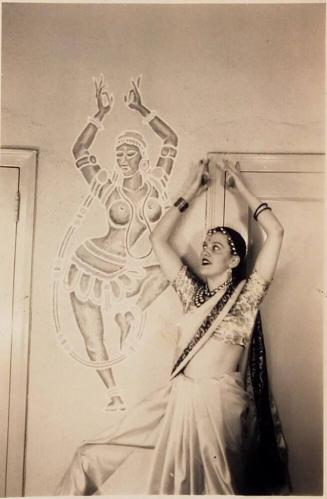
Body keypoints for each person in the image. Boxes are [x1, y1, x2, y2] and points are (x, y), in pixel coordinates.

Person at [57, 159, 289, 495]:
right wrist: (190, 191)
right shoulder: (192, 295)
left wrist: (243, 189)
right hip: (178, 398)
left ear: (234, 261)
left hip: (218, 405)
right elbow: (158, 240)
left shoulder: (246, 298)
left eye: (216, 247)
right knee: (93, 455)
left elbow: (277, 232)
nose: (205, 251)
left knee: (217, 488)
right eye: (205, 245)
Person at [60, 75, 178, 411]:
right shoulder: (107, 189)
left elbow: (171, 140)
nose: (122, 158)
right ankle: (113, 393)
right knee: (92, 336)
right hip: (90, 264)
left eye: (129, 152)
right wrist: (101, 114)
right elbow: (80, 151)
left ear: (142, 157)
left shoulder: (157, 185)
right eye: (118, 152)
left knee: (171, 270)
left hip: (128, 267)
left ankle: (130, 312)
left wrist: (140, 108)